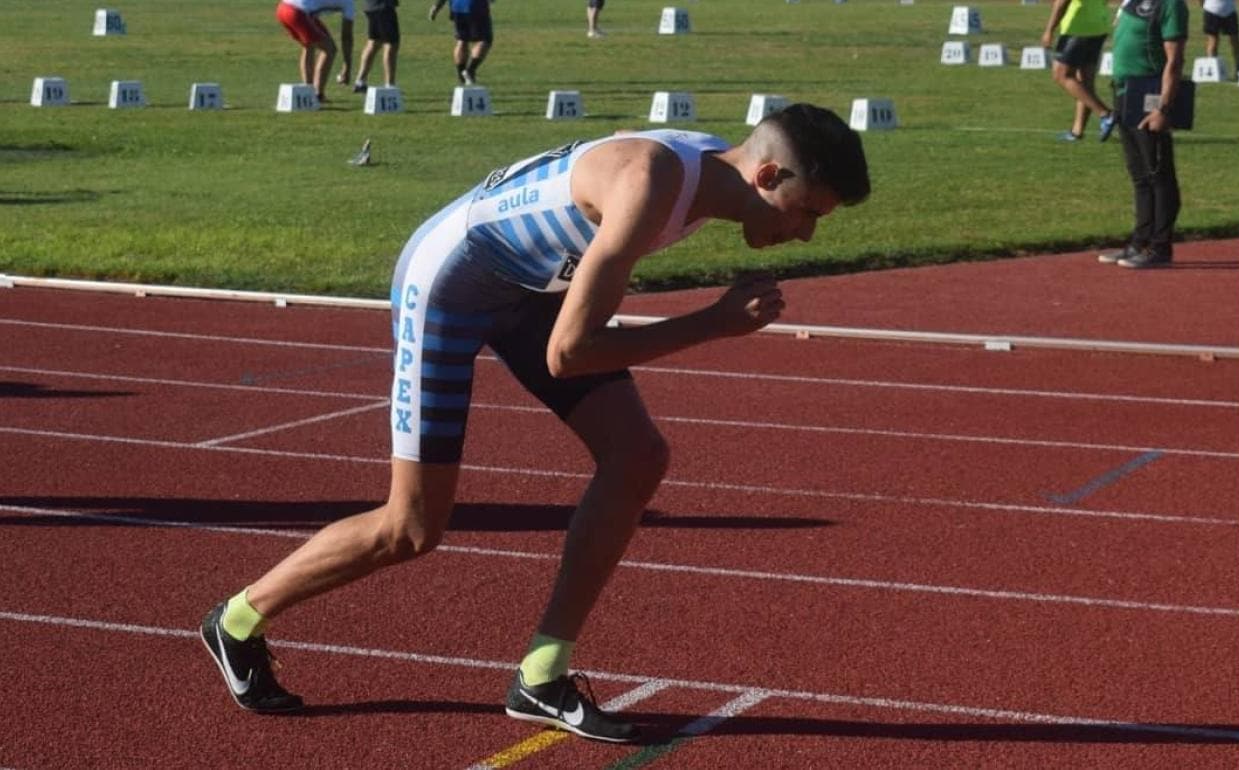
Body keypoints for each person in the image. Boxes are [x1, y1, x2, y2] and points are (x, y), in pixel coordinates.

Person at [199, 104, 870, 743]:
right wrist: (712, 325)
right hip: (449, 287)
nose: (806, 232)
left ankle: (543, 676)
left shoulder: (707, 167)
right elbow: (570, 354)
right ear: (767, 174)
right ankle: (237, 620)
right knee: (412, 527)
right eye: (807, 212)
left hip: (533, 291)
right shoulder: (653, 184)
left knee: (637, 456)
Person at [1097, 0, 1187, 268]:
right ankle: (1140, 241)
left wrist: (1163, 107)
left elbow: (1175, 59)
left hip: (1150, 96)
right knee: (1139, 175)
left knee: (1158, 174)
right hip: (1125, 93)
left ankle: (1160, 247)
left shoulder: (1170, 5)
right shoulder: (1131, 2)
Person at [1041, 0, 1116, 141]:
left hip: (1077, 27)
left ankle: (1106, 114)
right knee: (1085, 83)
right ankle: (1077, 131)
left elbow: (1061, 3)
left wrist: (1049, 29)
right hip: (1099, 25)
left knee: (1060, 75)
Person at [275, 0, 355, 103]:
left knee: (309, 45)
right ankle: (318, 94)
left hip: (282, 8)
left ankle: (308, 93)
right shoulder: (349, 3)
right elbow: (347, 37)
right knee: (329, 49)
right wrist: (347, 67)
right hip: (297, 12)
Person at [429, 0, 492, 85]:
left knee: (462, 40)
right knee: (485, 40)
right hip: (475, 6)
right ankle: (470, 71)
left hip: (457, 7)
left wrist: (437, 6)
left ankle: (461, 75)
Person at [353, 0, 401, 92]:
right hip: (384, 7)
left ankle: (360, 82)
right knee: (391, 44)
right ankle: (389, 85)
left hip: (371, 7)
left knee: (374, 42)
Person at [1202, 0, 1239, 75]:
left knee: (1235, 42)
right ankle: (1212, 70)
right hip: (1212, 9)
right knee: (1213, 41)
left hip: (1230, 10)